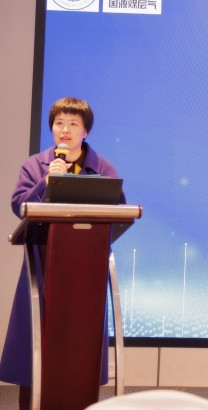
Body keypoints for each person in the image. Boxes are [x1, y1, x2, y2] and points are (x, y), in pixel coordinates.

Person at [0, 97, 125, 410]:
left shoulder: (102, 168)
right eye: (59, 123)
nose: (65, 130)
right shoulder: (35, 165)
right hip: (44, 265)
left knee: (79, 349)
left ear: (85, 131)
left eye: (72, 124)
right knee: (37, 352)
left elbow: (119, 208)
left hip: (86, 270)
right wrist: (47, 181)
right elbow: (19, 206)